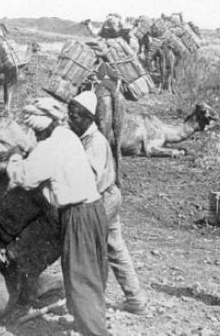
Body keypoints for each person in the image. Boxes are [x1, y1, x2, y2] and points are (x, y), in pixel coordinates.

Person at [3, 97, 109, 336]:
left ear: (40, 129)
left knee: (80, 278)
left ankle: (96, 331)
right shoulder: (68, 136)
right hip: (95, 208)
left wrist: (14, 158)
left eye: (34, 131)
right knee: (93, 271)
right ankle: (92, 322)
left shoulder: (47, 147)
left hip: (78, 214)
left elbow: (25, 178)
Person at [68, 91, 148, 315]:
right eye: (69, 115)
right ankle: (136, 298)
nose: (70, 120)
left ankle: (93, 301)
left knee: (92, 248)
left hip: (102, 198)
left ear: (88, 118)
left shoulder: (94, 142)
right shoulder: (86, 137)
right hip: (109, 195)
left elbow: (88, 177)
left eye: (74, 116)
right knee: (115, 245)